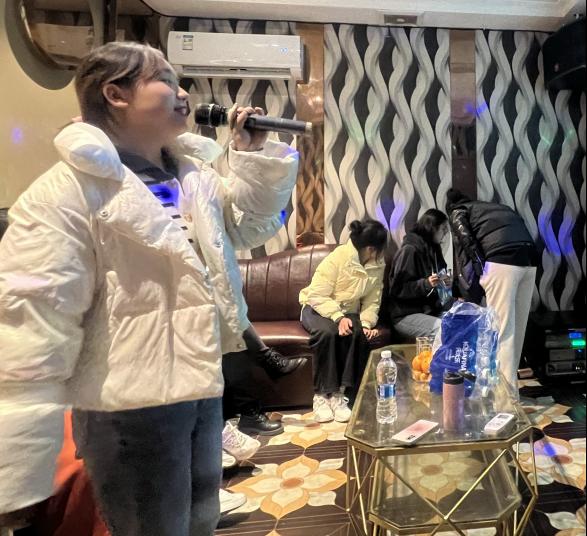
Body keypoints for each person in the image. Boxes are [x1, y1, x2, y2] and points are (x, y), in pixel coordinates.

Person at [0, 42, 298, 536]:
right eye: (165, 79)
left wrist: (247, 154)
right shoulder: (67, 191)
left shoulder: (193, 177)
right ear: (115, 94)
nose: (184, 94)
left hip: (200, 385)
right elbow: (31, 324)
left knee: (200, 521)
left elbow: (249, 228)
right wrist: (16, 473)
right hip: (127, 407)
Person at [445, 188, 538, 394]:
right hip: (529, 259)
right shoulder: (493, 208)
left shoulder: (457, 211)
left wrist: (480, 272)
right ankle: (511, 395)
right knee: (517, 331)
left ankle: (504, 400)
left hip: (501, 262)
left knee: (501, 332)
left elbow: (466, 244)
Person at [299, 219, 388, 423]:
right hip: (317, 307)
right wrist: (338, 317)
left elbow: (373, 300)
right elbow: (316, 295)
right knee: (327, 333)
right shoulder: (337, 258)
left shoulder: (377, 265)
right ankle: (322, 395)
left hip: (348, 312)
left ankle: (339, 394)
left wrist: (366, 323)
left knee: (356, 333)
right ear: (371, 249)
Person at [387, 209, 453, 339]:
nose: (446, 233)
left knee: (463, 321)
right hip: (405, 314)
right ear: (432, 228)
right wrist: (426, 284)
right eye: (443, 229)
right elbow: (397, 289)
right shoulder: (409, 250)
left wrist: (447, 282)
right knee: (443, 329)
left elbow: (441, 280)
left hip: (430, 310)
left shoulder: (434, 249)